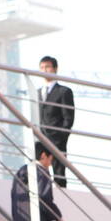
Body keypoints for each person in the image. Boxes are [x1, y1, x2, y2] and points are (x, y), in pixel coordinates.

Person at [37, 56, 75, 187]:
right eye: (42, 67)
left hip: (57, 138)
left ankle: (61, 195)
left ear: (55, 69)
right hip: (40, 137)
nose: (44, 70)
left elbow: (68, 118)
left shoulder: (64, 91)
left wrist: (61, 136)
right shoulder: (38, 92)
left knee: (59, 172)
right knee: (40, 171)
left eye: (47, 67)